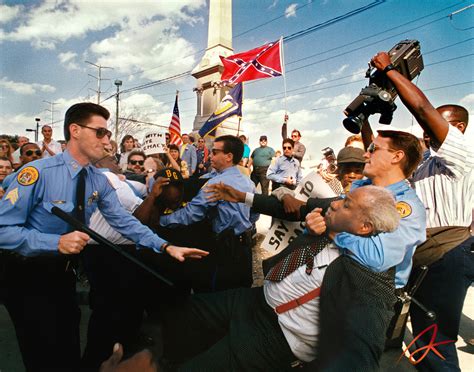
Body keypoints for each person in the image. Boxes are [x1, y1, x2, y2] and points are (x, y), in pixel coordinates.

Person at [0, 102, 208, 371]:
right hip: (28, 277)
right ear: (75, 131)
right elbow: (3, 229)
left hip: (63, 275)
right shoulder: (38, 173)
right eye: (100, 132)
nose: (108, 140)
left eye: (108, 134)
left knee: (68, 350)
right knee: (44, 356)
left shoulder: (97, 179)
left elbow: (124, 222)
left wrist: (165, 246)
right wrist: (55, 243)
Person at [161, 186, 400, 370]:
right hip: (256, 301)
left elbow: (362, 350)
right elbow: (283, 215)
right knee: (187, 311)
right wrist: (308, 234)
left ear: (365, 227)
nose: (335, 203)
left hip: (277, 335)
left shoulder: (370, 270)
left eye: (346, 204)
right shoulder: (328, 227)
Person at [207, 128, 426, 290]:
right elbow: (304, 208)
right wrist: (243, 197)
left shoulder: (405, 207)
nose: (366, 155)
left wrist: (331, 229)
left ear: (397, 157)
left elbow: (378, 257)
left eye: (373, 149)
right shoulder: (363, 188)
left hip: (364, 295)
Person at [371, 51, 474, 371]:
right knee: (424, 343)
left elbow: (423, 109)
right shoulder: (426, 161)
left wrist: (390, 70)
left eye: (439, 123)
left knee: (435, 343)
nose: (426, 129)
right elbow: (377, 160)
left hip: (447, 254)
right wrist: (366, 123)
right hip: (426, 255)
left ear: (457, 126)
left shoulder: (462, 153)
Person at [160, 135, 258, 289]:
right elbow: (254, 214)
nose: (210, 155)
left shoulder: (215, 184)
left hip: (224, 251)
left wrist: (161, 221)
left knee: (217, 295)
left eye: (214, 152)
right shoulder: (249, 183)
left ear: (229, 156)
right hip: (244, 249)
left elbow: (191, 214)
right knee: (239, 294)